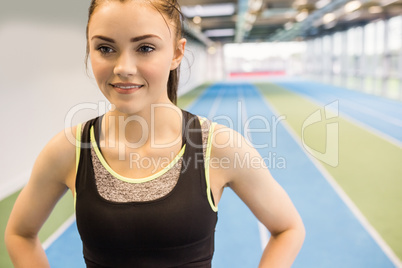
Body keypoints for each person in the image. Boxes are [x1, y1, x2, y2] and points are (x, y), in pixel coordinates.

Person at [5, 0, 305, 267]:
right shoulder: (69, 149)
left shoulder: (220, 147)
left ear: (176, 53)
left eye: (145, 48)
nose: (123, 67)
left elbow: (288, 229)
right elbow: (19, 233)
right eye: (105, 48)